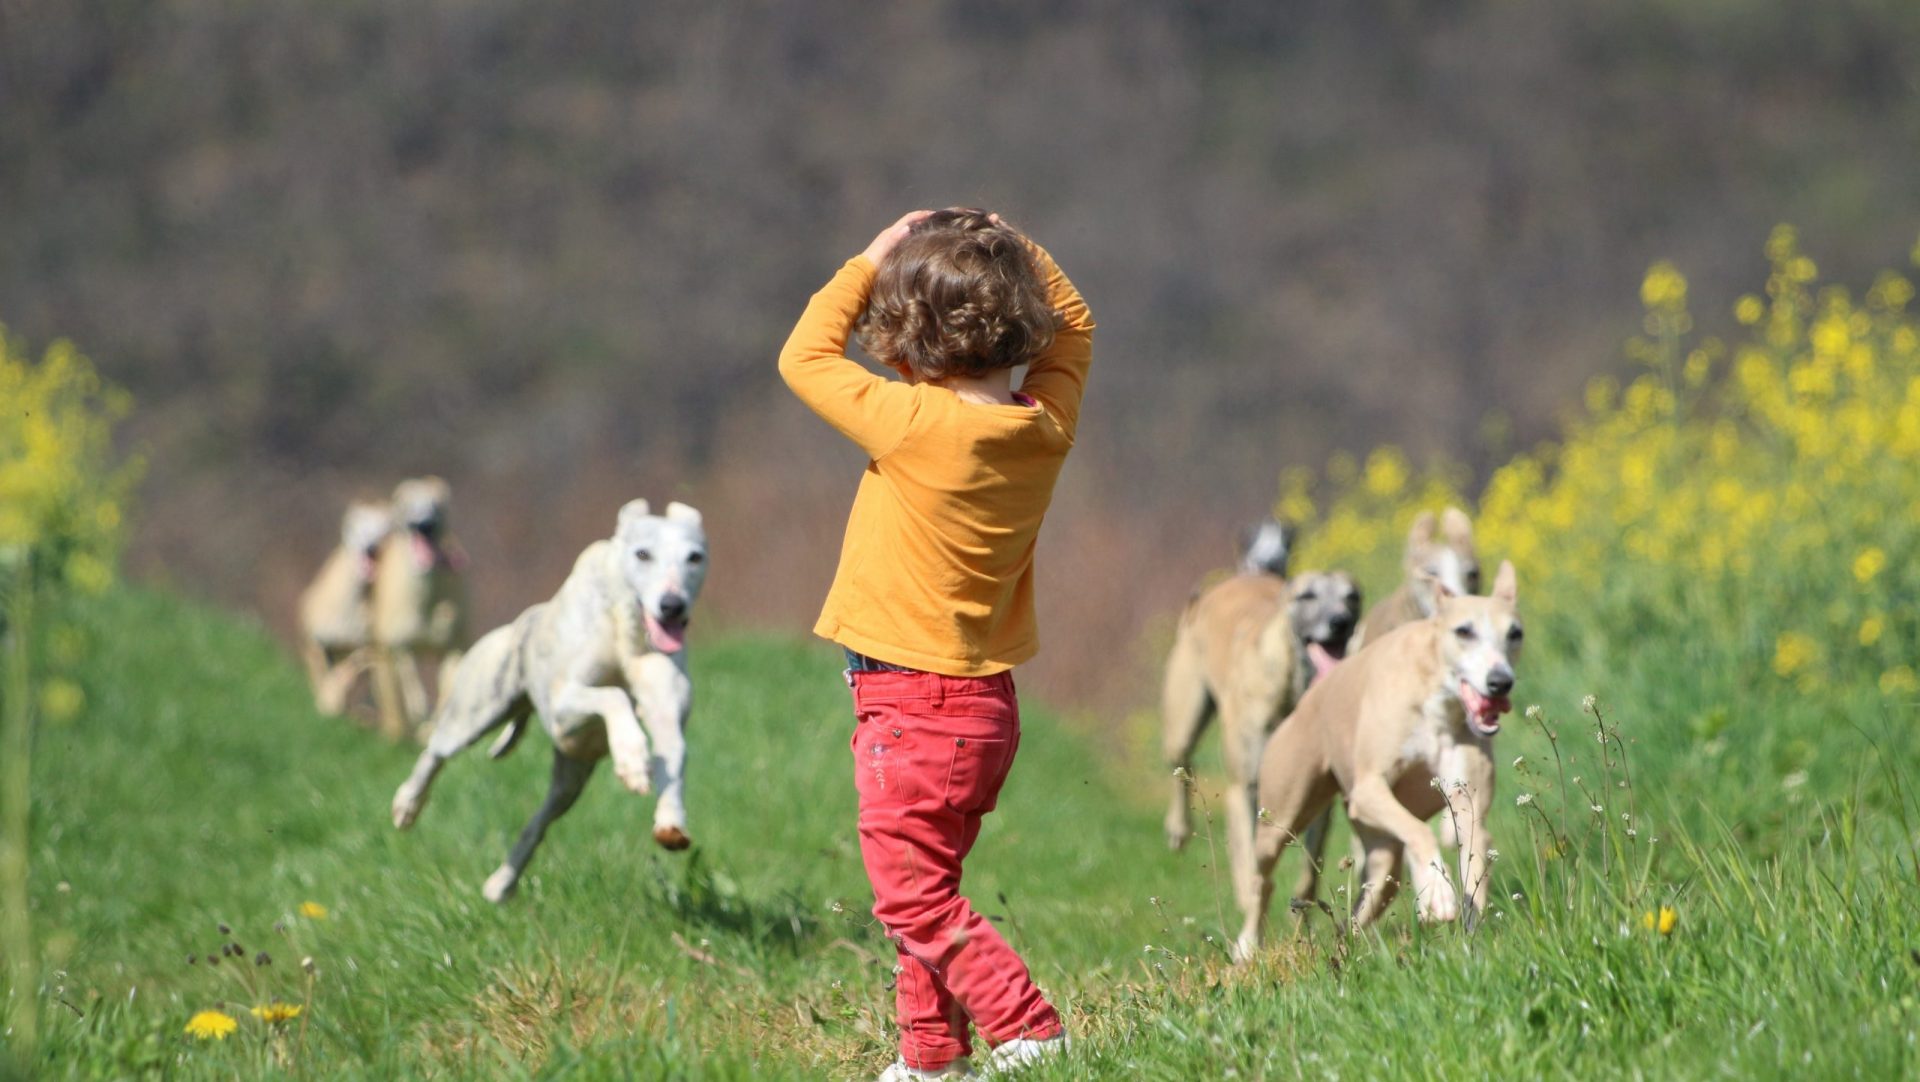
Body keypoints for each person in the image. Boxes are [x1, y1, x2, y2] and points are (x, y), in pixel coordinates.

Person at [778, 207, 1094, 1080]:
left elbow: (802, 357)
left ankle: (1028, 1028)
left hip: (911, 709)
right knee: (931, 892)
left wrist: (871, 252)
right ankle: (928, 1061)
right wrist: (1020, 246)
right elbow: (1078, 329)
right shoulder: (1043, 428)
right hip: (982, 710)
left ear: (910, 338)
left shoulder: (912, 423)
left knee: (912, 901)